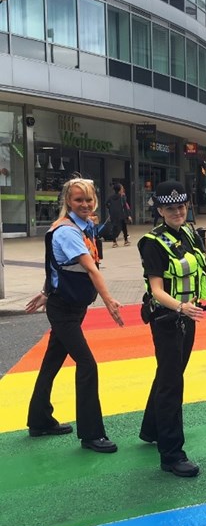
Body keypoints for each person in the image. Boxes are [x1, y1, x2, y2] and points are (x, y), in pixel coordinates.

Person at [25, 177, 124, 453]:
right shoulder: (67, 231)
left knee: (52, 362)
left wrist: (47, 290)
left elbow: (58, 266)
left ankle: (39, 420)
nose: (85, 204)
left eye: (89, 199)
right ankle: (92, 434)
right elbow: (91, 268)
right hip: (64, 310)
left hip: (69, 305)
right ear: (68, 201)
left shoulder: (86, 226)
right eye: (79, 200)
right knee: (88, 364)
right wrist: (109, 300)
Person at [138, 180, 206, 477]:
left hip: (186, 316)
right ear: (160, 210)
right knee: (171, 383)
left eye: (181, 206)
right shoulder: (152, 242)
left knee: (170, 374)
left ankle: (152, 428)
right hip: (168, 319)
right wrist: (180, 307)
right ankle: (171, 453)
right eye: (170, 208)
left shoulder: (190, 234)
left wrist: (188, 309)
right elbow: (156, 289)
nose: (178, 211)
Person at [106, 183, 131, 247]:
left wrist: (111, 209)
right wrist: (128, 215)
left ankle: (114, 242)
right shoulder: (122, 197)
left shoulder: (110, 197)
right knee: (124, 227)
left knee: (114, 228)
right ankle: (126, 241)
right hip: (121, 215)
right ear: (120, 190)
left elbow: (106, 204)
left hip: (113, 215)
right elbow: (125, 206)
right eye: (122, 188)